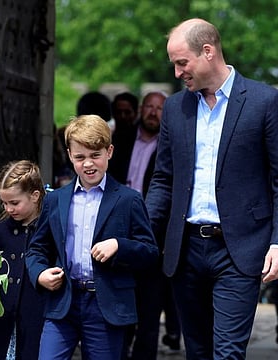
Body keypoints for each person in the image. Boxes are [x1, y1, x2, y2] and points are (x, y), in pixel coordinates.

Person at [145, 18, 278, 359]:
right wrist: (141, 231)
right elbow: (163, 179)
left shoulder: (264, 102)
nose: (177, 73)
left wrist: (277, 241)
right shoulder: (176, 108)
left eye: (181, 63)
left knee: (227, 353)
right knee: (198, 352)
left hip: (239, 250)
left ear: (208, 52)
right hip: (185, 250)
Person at [26, 114, 158, 360]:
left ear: (109, 151)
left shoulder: (129, 199)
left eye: (95, 155)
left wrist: (119, 245)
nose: (88, 164)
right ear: (69, 155)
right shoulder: (56, 199)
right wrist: (40, 274)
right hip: (63, 301)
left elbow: (150, 251)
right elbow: (37, 249)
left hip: (105, 305)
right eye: (80, 157)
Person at [111, 91, 181, 360]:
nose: (153, 112)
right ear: (141, 109)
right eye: (149, 107)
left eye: (159, 108)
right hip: (118, 233)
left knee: (150, 310)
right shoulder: (122, 140)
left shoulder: (173, 145)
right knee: (118, 305)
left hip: (155, 238)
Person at [0, 160, 46, 360]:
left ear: (35, 196)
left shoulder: (48, 228)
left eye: (14, 203)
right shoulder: (1, 230)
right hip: (4, 319)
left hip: (36, 316)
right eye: (4, 203)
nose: (8, 208)